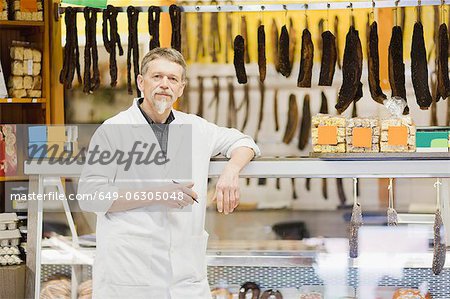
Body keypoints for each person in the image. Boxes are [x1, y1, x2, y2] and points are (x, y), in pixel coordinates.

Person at [78, 47, 260, 299]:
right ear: (141, 82)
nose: (165, 84)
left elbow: (244, 142)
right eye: (157, 77)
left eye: (173, 79)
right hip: (130, 275)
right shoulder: (113, 130)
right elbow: (90, 196)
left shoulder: (195, 127)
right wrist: (155, 194)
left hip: (184, 278)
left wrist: (231, 170)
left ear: (181, 88)